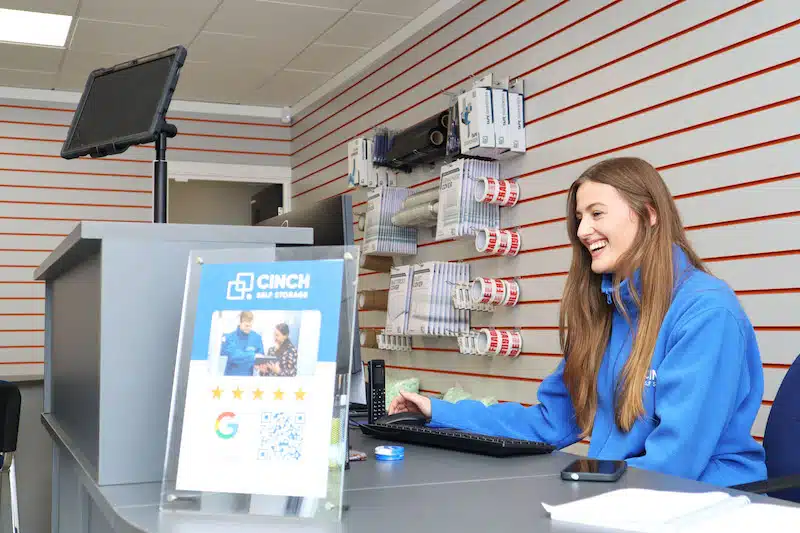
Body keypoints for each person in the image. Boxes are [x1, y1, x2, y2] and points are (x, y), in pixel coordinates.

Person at [389, 157, 767, 487]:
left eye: (597, 214)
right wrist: (439, 412)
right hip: (625, 490)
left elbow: (676, 461)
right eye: (579, 218)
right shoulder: (609, 312)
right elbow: (549, 422)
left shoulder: (706, 313)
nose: (583, 231)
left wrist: (588, 494)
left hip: (704, 500)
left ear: (650, 214)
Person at [221, 311, 265, 376]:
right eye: (246, 326)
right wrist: (253, 356)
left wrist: (258, 365)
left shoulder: (256, 338)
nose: (249, 328)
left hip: (248, 378)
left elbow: (260, 355)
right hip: (231, 377)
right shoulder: (229, 337)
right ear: (240, 322)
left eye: (250, 326)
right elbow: (234, 356)